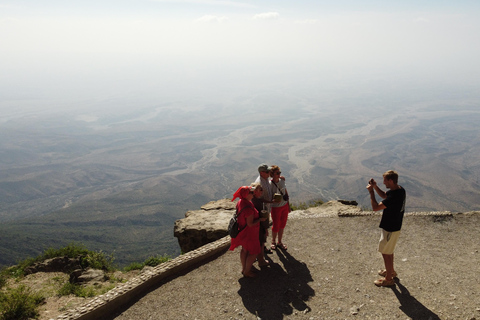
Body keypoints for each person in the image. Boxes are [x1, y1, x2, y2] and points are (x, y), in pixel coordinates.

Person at [366, 170, 406, 287]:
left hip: (390, 228)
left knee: (385, 253)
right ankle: (391, 271)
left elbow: (375, 207)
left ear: (390, 180)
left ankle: (388, 279)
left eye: (385, 180)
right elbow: (385, 195)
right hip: (394, 227)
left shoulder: (394, 196)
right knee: (389, 251)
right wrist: (375, 186)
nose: (383, 182)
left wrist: (371, 192)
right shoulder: (400, 190)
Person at [229, 186, 267, 278]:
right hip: (250, 234)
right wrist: (260, 219)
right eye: (251, 192)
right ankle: (247, 271)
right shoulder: (248, 208)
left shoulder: (240, 202)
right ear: (246, 195)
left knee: (244, 250)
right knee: (254, 252)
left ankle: (244, 268)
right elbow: (250, 224)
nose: (253, 193)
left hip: (243, 231)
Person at [269, 165, 290, 251]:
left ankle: (279, 242)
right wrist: (273, 200)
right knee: (276, 225)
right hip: (275, 208)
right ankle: (273, 241)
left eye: (279, 172)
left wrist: (288, 205)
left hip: (284, 206)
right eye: (277, 173)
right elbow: (268, 196)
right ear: (272, 174)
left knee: (282, 225)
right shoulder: (269, 184)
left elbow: (285, 192)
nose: (279, 174)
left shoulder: (282, 180)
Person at [250, 182, 270, 266]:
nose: (262, 191)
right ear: (255, 191)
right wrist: (265, 228)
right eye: (260, 190)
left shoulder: (251, 200)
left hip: (251, 228)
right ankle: (261, 261)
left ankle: (251, 261)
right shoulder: (258, 203)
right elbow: (262, 218)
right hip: (259, 227)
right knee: (261, 244)